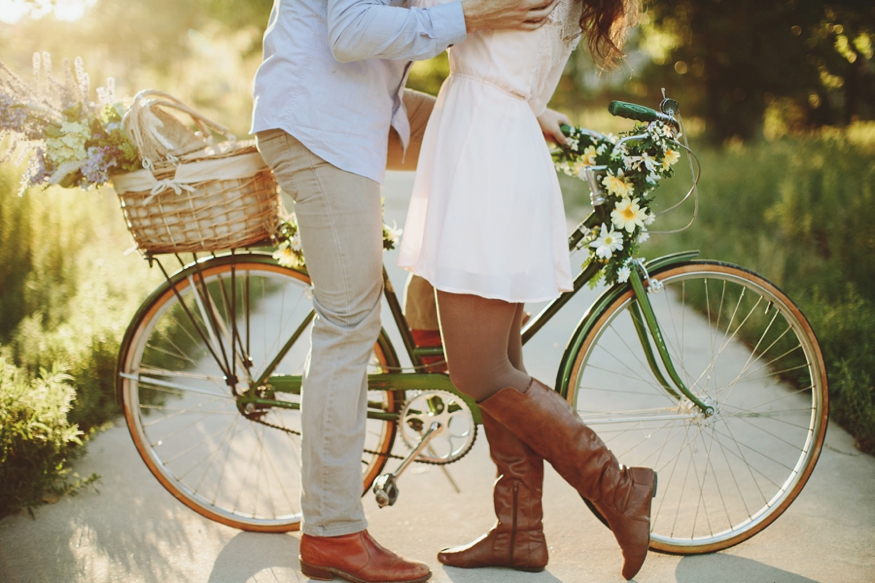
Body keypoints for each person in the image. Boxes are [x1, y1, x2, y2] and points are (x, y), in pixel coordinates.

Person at [250, 0, 567, 581]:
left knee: (472, 137)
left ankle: (433, 332)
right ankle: (331, 533)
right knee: (348, 322)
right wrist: (471, 15)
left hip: (363, 112)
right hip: (321, 123)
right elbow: (349, 32)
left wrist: (527, 114)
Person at [397, 0, 656, 579]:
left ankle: (618, 492)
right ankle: (519, 532)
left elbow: (414, 26)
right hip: (493, 145)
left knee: (481, 372)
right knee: (501, 364)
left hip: (486, 158)